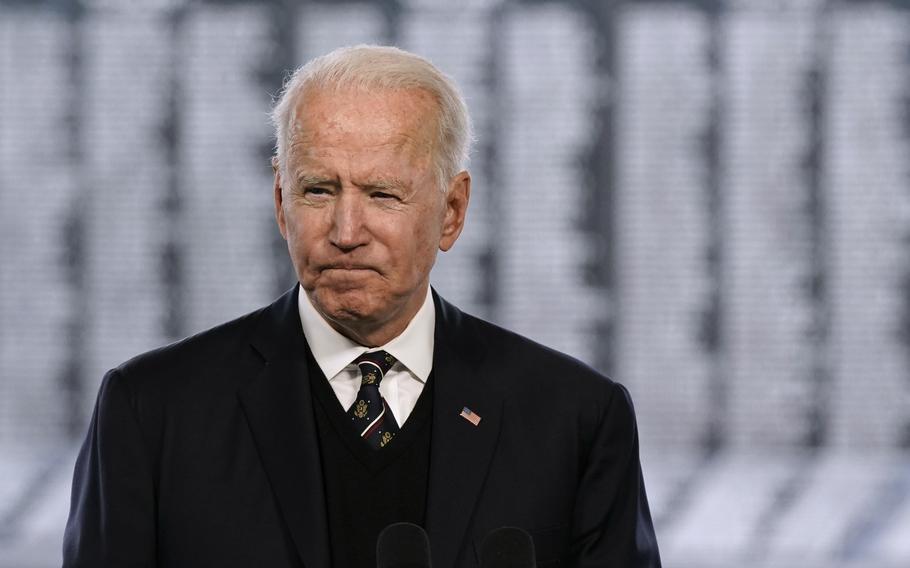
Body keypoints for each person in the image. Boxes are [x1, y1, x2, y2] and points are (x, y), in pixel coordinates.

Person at [63, 45, 661, 568]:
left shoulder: (574, 418)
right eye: (318, 190)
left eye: (382, 194)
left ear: (451, 211)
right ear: (280, 202)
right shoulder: (152, 412)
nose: (346, 231)